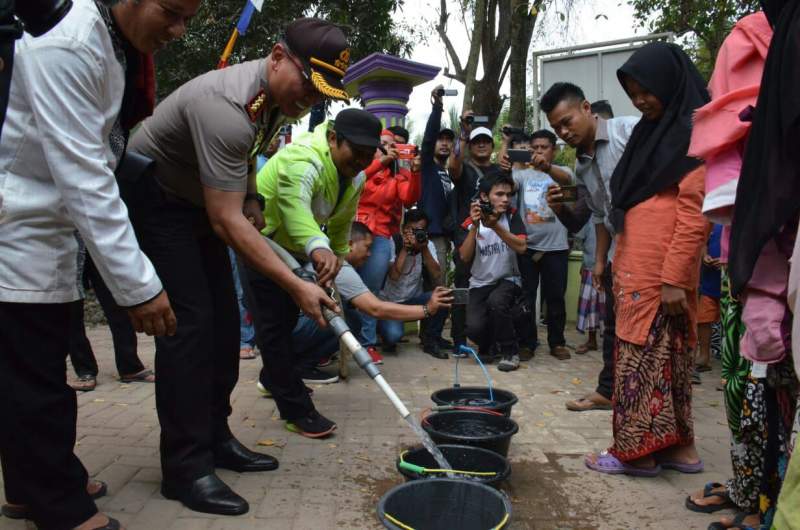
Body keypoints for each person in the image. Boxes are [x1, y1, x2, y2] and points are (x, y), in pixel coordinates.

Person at [125, 18, 348, 516]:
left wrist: (250, 194)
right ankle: (184, 468)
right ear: (275, 57)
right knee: (190, 326)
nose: (311, 100)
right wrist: (295, 285)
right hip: (158, 201)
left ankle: (214, 437)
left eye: (322, 93)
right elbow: (227, 223)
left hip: (198, 203)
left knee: (225, 324)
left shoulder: (268, 99)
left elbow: (247, 150)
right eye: (307, 84)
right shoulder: (224, 105)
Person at [0, 0, 198, 527]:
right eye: (171, 12)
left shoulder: (112, 40)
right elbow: (85, 175)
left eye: (188, 20)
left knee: (34, 370)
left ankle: (31, 482)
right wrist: (139, 286)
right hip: (21, 227)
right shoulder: (71, 42)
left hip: (51, 229)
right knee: (36, 380)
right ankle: (56, 503)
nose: (177, 31)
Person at [583, 41, 709, 477]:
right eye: (632, 93)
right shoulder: (651, 134)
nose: (639, 101)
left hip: (659, 278)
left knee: (643, 362)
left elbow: (694, 217)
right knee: (667, 363)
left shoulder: (694, 136)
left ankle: (636, 452)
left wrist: (674, 277)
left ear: (671, 85)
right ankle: (678, 450)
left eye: (646, 91)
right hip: (641, 269)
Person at [243, 108, 382, 440]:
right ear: (334, 139)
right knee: (273, 326)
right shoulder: (303, 159)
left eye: (368, 155)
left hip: (295, 251)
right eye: (356, 152)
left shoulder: (356, 175)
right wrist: (318, 248)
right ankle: (296, 409)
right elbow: (295, 207)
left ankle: (272, 377)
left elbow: (341, 221)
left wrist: (336, 254)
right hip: (260, 242)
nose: (361, 161)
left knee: (288, 320)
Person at [541, 82, 638, 411]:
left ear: (586, 108)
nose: (563, 132)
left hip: (651, 248)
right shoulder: (582, 165)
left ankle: (642, 399)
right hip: (617, 253)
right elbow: (594, 216)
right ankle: (608, 390)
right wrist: (599, 261)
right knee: (613, 324)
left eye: (566, 122)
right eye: (556, 128)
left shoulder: (629, 131)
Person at [292, 222, 453, 384]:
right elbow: (375, 308)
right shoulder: (341, 268)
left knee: (352, 318)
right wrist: (427, 309)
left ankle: (301, 363)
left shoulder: (334, 260)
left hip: (293, 326)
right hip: (293, 330)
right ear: (350, 245)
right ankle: (300, 365)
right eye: (367, 247)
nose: (370, 254)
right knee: (347, 318)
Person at [503, 129, 574, 361]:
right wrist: (506, 149)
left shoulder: (562, 172)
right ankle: (527, 343)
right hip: (528, 248)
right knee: (527, 297)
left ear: (553, 149)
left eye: (544, 147)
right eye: (535, 148)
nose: (539, 151)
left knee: (555, 297)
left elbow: (569, 183)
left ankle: (557, 342)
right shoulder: (522, 175)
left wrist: (546, 167)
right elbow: (508, 184)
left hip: (557, 248)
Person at [355, 128, 422, 363]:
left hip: (381, 235)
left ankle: (367, 343)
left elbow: (409, 198)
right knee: (341, 288)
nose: (386, 148)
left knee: (371, 290)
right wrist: (379, 162)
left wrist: (414, 172)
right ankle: (335, 341)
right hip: (352, 233)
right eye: (381, 144)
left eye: (390, 145)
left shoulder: (399, 175)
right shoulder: (360, 167)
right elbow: (356, 184)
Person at [460, 171, 527, 371]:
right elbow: (464, 257)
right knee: (473, 327)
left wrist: (495, 226)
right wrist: (475, 226)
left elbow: (522, 247)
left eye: (508, 195)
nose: (505, 199)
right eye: (499, 194)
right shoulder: (471, 221)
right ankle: (489, 346)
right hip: (480, 283)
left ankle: (510, 351)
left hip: (508, 278)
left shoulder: (513, 216)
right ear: (484, 196)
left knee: (497, 302)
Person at [449, 115, 501, 352]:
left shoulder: (499, 171)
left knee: (493, 287)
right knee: (462, 287)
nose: (481, 144)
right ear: (469, 146)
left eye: (486, 141)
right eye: (476, 141)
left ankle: (489, 336)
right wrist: (463, 132)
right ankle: (459, 338)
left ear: (492, 146)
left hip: (494, 238)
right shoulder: (464, 169)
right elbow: (452, 166)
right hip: (466, 236)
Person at [69, 251, 154, 392]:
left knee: (118, 304)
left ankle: (130, 366)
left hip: (98, 246)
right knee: (71, 311)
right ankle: (85, 370)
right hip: (69, 244)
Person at [379, 209, 449, 358]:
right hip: (389, 304)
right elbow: (394, 275)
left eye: (421, 230)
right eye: (412, 230)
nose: (417, 233)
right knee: (393, 336)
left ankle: (430, 340)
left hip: (413, 301)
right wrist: (405, 249)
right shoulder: (394, 242)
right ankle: (382, 331)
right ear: (404, 229)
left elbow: (436, 275)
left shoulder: (427, 245)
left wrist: (423, 249)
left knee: (443, 296)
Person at [418, 85, 457, 277]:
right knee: (437, 287)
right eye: (440, 139)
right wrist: (437, 107)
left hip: (444, 235)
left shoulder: (449, 172)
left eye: (448, 140)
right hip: (430, 235)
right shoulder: (427, 166)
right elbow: (428, 139)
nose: (444, 143)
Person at [574, 221, 605, 354]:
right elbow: (579, 240)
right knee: (590, 306)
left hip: (610, 267)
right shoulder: (590, 218)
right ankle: (592, 340)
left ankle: (612, 340)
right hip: (590, 266)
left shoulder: (613, 213)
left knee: (608, 306)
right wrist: (583, 262)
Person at [696, 224, 723, 374]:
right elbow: (702, 242)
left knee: (729, 323)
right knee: (703, 319)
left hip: (729, 283)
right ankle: (704, 355)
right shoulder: (711, 221)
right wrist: (704, 255)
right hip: (709, 280)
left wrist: (726, 259)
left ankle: (730, 361)